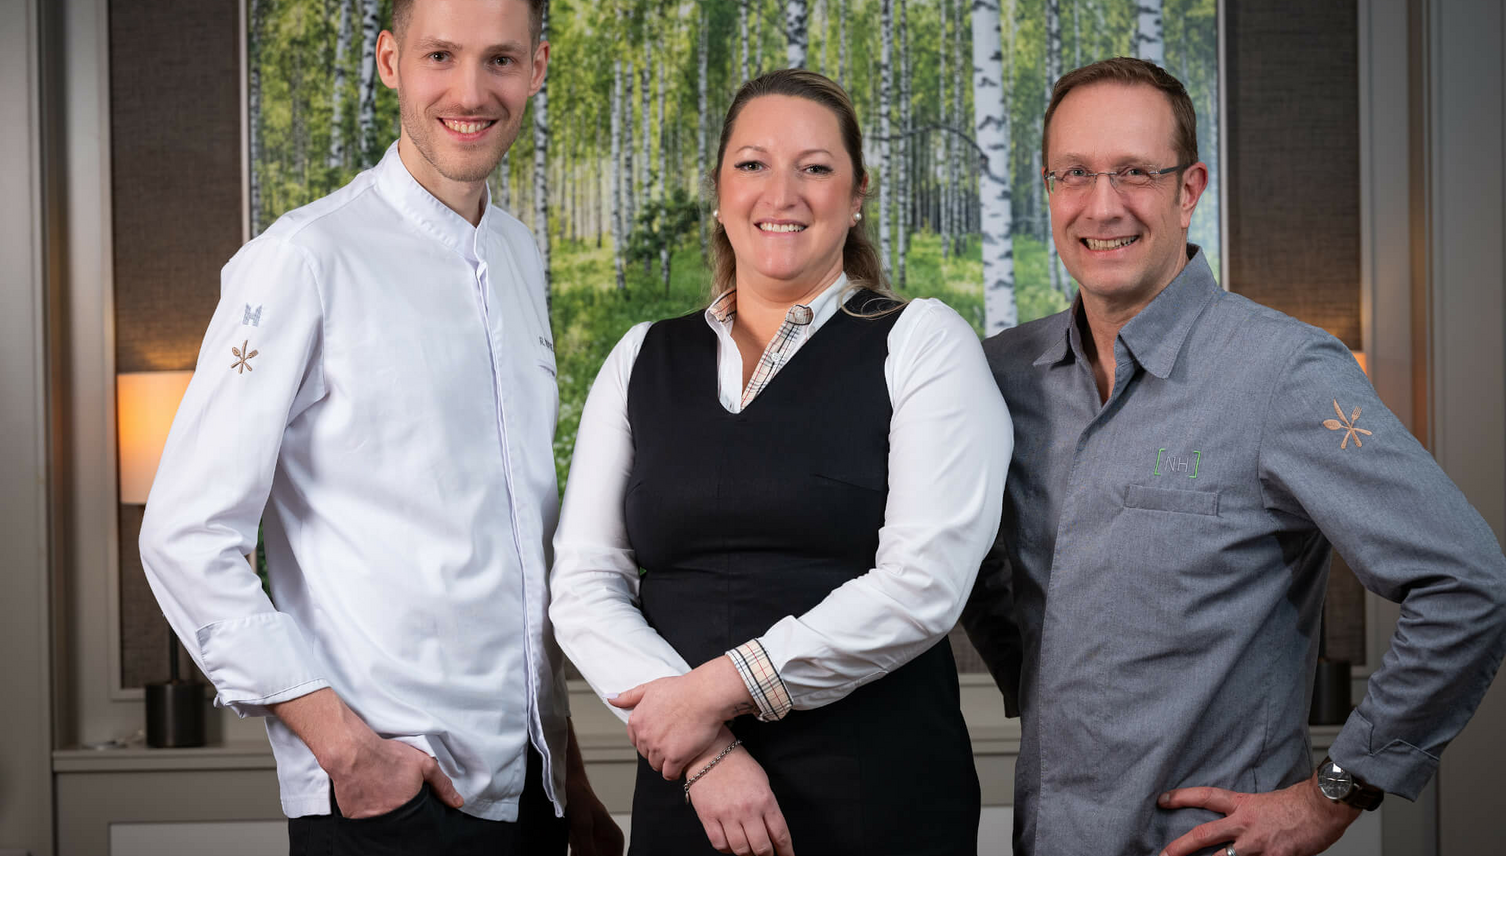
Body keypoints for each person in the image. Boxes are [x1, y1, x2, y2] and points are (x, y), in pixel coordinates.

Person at [963, 56, 1506, 855]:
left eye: (1135, 173)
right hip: (1048, 848)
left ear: (1190, 190)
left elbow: (1466, 583)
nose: (1101, 205)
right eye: (1073, 173)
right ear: (1047, 188)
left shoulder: (1284, 375)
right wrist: (1039, 688)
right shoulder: (1002, 375)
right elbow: (968, 562)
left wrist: (1340, 789)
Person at [139, 0, 621, 856]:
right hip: (391, 794)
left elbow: (515, 543)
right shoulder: (304, 259)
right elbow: (183, 535)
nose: (471, 90)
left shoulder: (517, 255)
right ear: (390, 61)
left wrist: (568, 771)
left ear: (538, 69)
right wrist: (347, 751)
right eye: (441, 55)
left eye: (501, 61)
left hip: (533, 793)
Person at [548, 69, 1010, 855]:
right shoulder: (642, 358)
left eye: (816, 167)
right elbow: (584, 583)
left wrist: (714, 695)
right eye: (754, 164)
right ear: (720, 187)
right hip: (688, 794)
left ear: (857, 192)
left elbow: (922, 587)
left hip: (881, 790)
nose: (782, 193)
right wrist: (702, 750)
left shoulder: (924, 343)